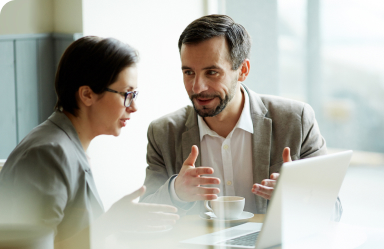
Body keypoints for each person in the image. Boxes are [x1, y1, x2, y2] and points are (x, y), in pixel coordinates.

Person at [140, 14, 342, 221]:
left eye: (211, 72)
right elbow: (145, 214)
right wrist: (176, 192)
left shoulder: (295, 120)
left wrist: (299, 197)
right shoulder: (163, 132)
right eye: (189, 72)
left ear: (243, 70)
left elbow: (333, 210)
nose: (197, 87)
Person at [0, 36, 179, 242]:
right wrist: (112, 222)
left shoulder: (67, 144)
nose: (134, 107)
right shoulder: (47, 153)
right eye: (126, 94)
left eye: (134, 95)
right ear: (86, 95)